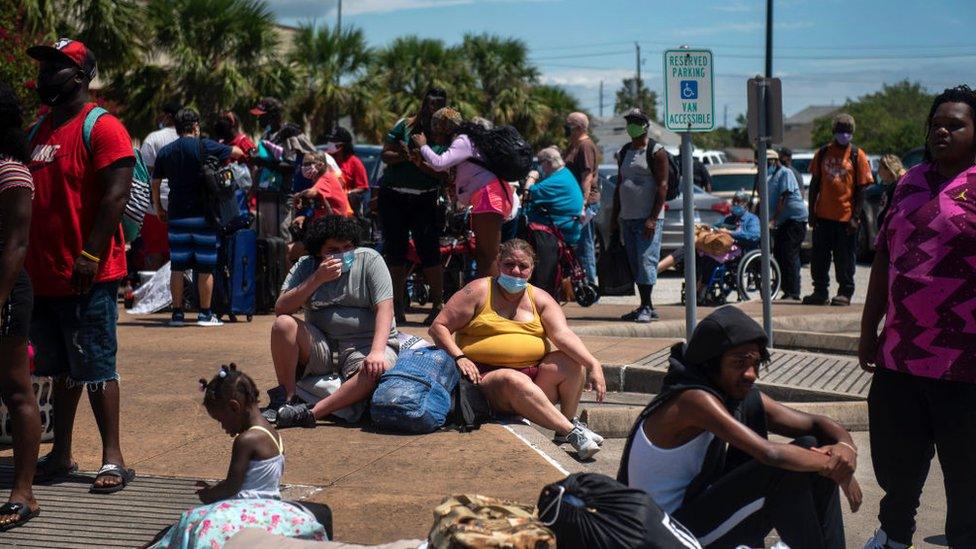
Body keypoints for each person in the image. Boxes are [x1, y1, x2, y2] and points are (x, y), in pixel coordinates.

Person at [619, 306, 860, 547]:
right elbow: (769, 453)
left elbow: (814, 424)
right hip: (664, 535)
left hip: (692, 515)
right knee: (783, 470)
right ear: (711, 363)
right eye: (739, 363)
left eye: (755, 363)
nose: (751, 374)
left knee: (810, 445)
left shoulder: (730, 394)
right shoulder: (692, 399)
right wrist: (836, 467)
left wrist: (845, 449)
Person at [858, 86, 976, 549]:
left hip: (964, 363)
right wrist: (869, 332)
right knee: (896, 461)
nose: (942, 130)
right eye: (936, 123)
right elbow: (884, 260)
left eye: (956, 123)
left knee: (967, 473)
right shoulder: (908, 183)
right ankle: (893, 535)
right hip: (901, 354)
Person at [25, 38, 135, 493]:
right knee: (58, 370)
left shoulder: (103, 127)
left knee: (97, 368)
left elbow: (116, 195)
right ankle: (62, 453)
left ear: (80, 76)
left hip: (88, 274)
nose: (46, 74)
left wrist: (90, 254)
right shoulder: (38, 131)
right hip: (41, 277)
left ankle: (113, 458)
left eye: (57, 66)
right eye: (45, 66)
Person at [428, 239, 606, 459]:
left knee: (572, 362)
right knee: (512, 379)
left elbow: (562, 335)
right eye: (509, 264)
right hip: (484, 383)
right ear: (498, 264)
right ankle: (571, 432)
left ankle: (567, 422)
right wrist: (459, 356)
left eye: (523, 266)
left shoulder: (540, 298)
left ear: (532, 269)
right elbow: (438, 327)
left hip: (532, 381)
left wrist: (592, 363)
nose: (516, 271)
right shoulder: (477, 290)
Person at [151, 365, 328, 549]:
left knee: (187, 524)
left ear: (234, 407)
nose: (223, 427)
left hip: (246, 510)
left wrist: (208, 494)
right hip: (270, 508)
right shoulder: (272, 433)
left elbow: (230, 487)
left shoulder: (246, 440)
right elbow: (251, 482)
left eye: (221, 420)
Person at [269, 216, 399, 428]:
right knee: (283, 325)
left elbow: (385, 309)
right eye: (332, 250)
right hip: (324, 347)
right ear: (318, 251)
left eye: (347, 247)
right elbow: (281, 309)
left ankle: (310, 413)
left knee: (375, 369)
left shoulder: (370, 260)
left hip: (364, 345)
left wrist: (376, 352)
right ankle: (287, 400)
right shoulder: (306, 266)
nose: (342, 254)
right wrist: (317, 278)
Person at [151, 108, 244, 327]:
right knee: (205, 266)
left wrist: (159, 208)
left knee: (177, 265)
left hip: (176, 215)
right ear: (195, 126)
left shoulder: (166, 151)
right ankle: (204, 314)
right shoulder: (205, 145)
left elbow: (155, 183)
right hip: (204, 216)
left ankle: (177, 314)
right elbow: (238, 152)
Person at [0, 81, 42, 530]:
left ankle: (24, 491)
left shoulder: (11, 171)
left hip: (6, 290)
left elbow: (16, 244)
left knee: (16, 390)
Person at [415, 108, 514, 280]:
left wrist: (423, 146)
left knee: (489, 254)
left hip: (488, 196)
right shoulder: (473, 141)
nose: (435, 135)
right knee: (483, 254)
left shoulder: (464, 140)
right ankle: (487, 298)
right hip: (487, 196)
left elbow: (440, 163)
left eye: (437, 129)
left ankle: (496, 301)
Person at [379, 87, 449, 325]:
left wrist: (419, 162)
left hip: (425, 198)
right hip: (393, 196)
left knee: (429, 251)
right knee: (395, 251)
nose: (433, 108)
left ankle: (438, 305)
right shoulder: (406, 125)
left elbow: (443, 174)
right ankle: (397, 306)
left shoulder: (446, 132)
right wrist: (404, 156)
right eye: (430, 103)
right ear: (423, 103)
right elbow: (385, 155)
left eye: (439, 104)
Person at [803, 113, 873, 307]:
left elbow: (861, 190)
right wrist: (812, 214)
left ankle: (845, 292)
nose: (844, 134)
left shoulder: (857, 155)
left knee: (844, 260)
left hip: (846, 219)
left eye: (848, 131)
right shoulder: (823, 153)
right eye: (841, 130)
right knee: (819, 259)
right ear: (834, 131)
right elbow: (815, 184)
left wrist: (855, 217)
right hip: (823, 217)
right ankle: (820, 291)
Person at [611, 108, 668, 323]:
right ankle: (647, 305)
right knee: (635, 262)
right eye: (629, 121)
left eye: (635, 121)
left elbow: (662, 186)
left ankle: (645, 305)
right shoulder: (625, 151)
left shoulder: (656, 151)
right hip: (627, 217)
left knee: (646, 261)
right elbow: (619, 185)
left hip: (648, 218)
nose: (631, 125)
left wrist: (652, 218)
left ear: (645, 125)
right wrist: (614, 218)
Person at [522, 147, 583, 297]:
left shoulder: (557, 180)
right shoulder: (564, 175)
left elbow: (528, 193)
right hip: (560, 225)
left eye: (540, 163)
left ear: (548, 163)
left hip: (558, 229)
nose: (539, 167)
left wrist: (531, 176)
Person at [288, 152, 354, 262]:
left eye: (309, 163)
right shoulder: (320, 180)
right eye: (304, 164)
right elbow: (321, 207)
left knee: (288, 252)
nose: (305, 167)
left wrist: (298, 196)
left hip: (333, 232)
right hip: (325, 230)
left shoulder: (326, 178)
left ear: (320, 165)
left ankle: (294, 280)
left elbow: (312, 192)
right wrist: (304, 218)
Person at [561, 112, 599, 285]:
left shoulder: (585, 146)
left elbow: (587, 175)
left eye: (568, 125)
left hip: (584, 203)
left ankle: (590, 285)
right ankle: (577, 283)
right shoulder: (572, 146)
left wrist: (583, 202)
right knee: (574, 245)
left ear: (578, 127)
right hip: (571, 202)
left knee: (585, 244)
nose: (565, 128)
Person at [765, 149, 808, 301]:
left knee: (789, 254)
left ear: (774, 161)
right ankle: (785, 289)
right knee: (779, 254)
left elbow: (783, 197)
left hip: (794, 220)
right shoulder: (770, 176)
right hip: (783, 221)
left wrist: (773, 220)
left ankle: (793, 292)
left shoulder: (785, 173)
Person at [323, 126, 369, 215]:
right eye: (330, 140)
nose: (330, 143)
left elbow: (363, 187)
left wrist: (346, 193)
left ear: (342, 145)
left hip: (346, 209)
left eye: (333, 141)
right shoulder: (325, 158)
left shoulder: (354, 162)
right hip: (326, 206)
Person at [874, 153, 906, 228]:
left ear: (888, 170)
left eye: (880, 168)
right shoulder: (904, 184)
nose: (878, 171)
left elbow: (885, 215)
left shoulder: (892, 190)